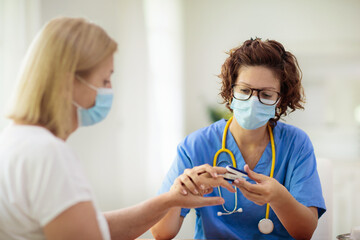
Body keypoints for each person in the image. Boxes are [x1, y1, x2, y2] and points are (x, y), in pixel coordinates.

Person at [0, 17, 234, 240]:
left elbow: (91, 227)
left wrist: (170, 201)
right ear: (69, 81)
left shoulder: (15, 140)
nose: (109, 90)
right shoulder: (49, 154)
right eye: (104, 80)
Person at [151, 38, 326, 239]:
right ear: (231, 90)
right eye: (244, 90)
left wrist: (279, 198)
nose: (253, 101)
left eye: (266, 94)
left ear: (280, 100)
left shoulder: (295, 144)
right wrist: (177, 193)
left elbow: (304, 232)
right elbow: (161, 233)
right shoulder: (196, 146)